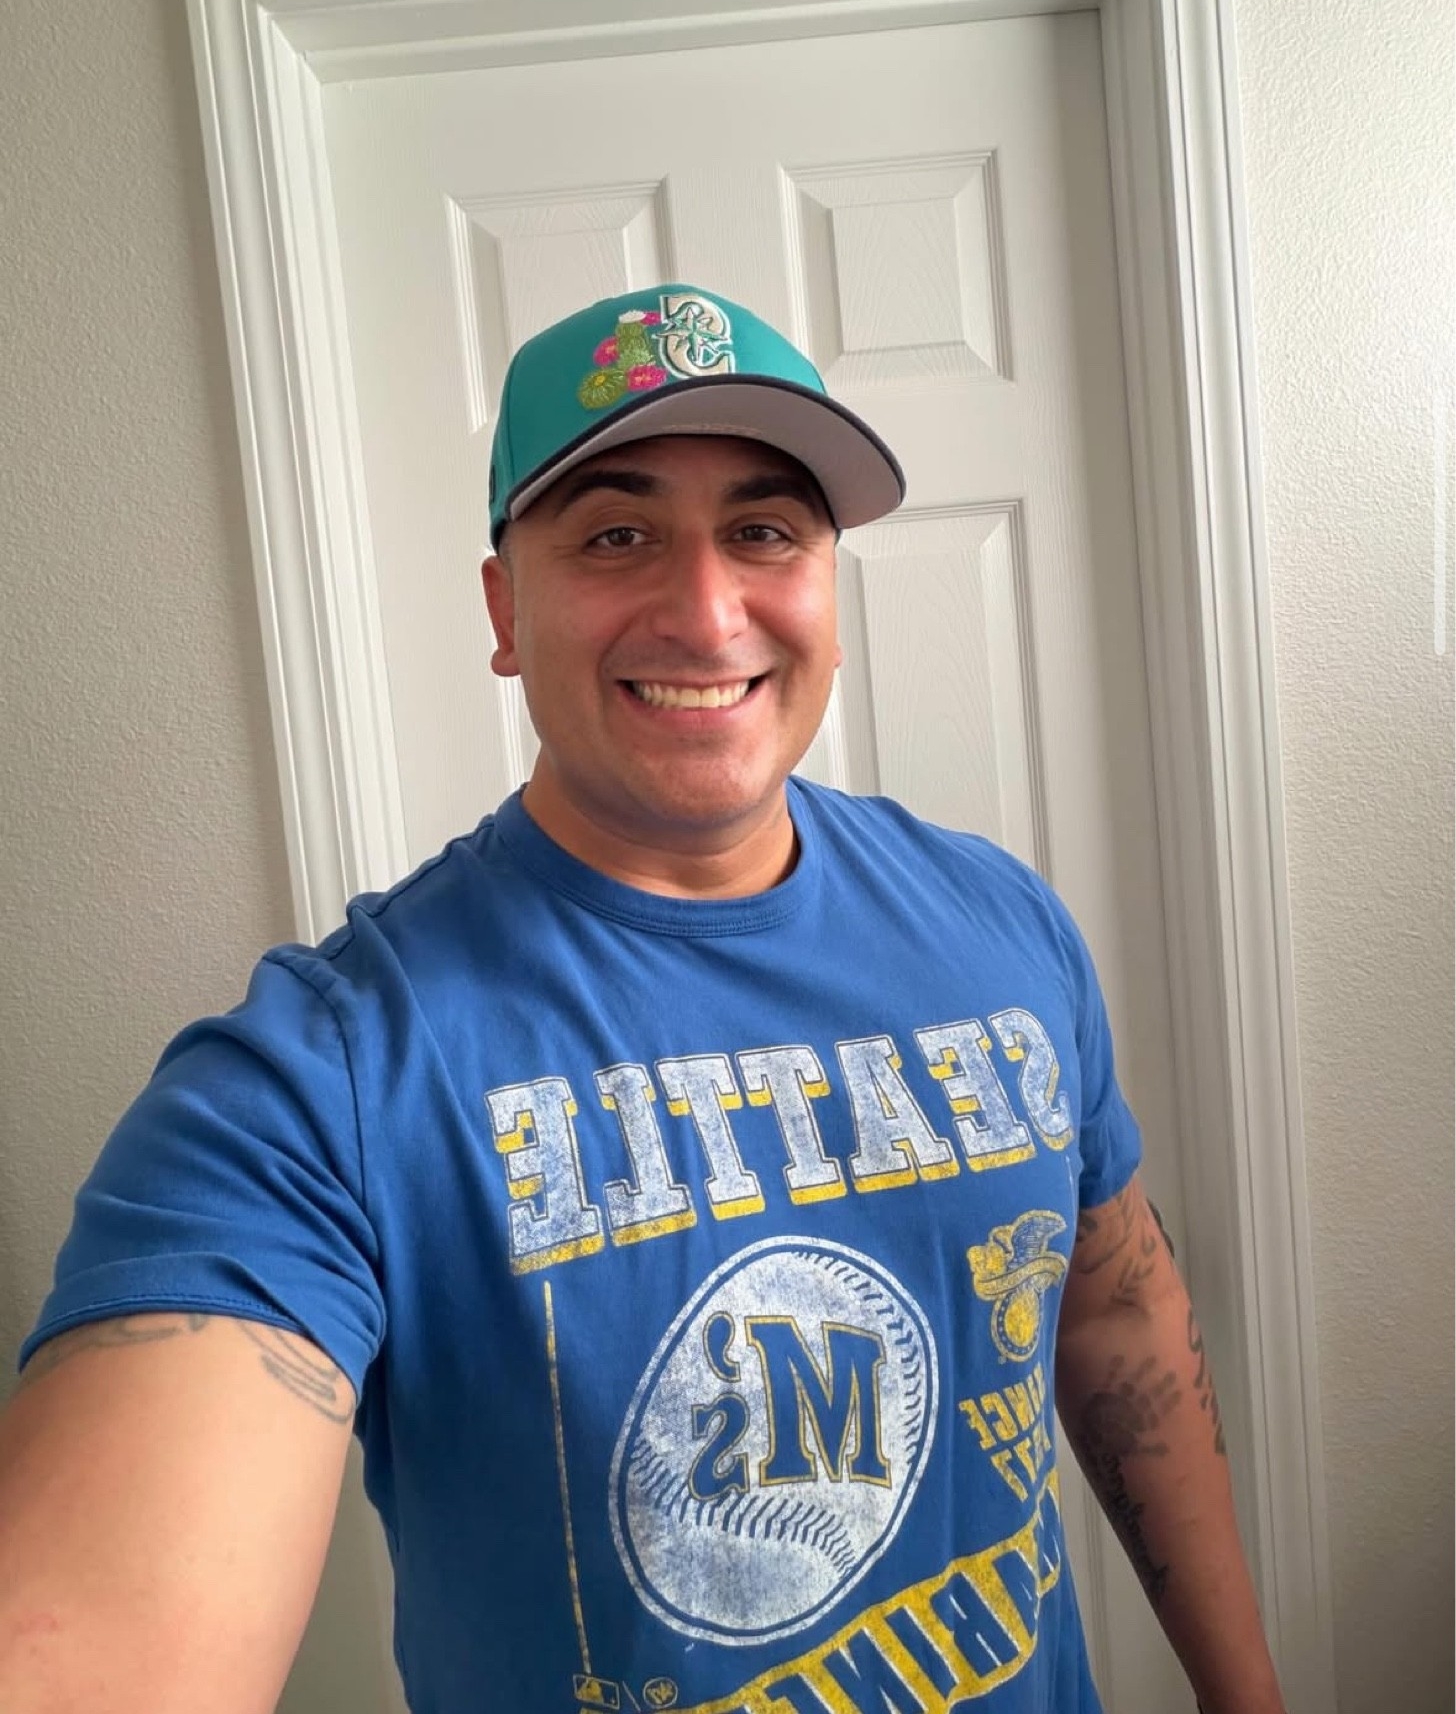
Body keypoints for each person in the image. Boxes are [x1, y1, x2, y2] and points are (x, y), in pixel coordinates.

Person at [0, 287, 1286, 1714]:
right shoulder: (328, 1082)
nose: (707, 611)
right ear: (506, 608)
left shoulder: (1002, 924)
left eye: (766, 531)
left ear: (828, 589)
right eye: (617, 535)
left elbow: (1116, 1315)